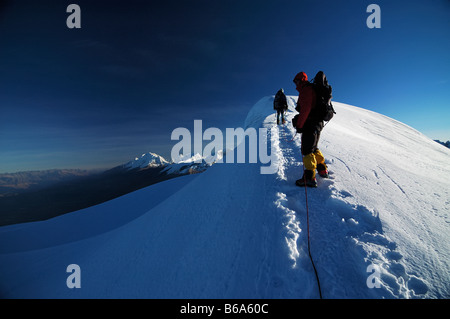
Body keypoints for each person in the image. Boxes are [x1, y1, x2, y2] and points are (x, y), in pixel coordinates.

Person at [293, 71, 329, 187]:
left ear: (301, 80)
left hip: (310, 124)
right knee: (313, 148)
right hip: (318, 123)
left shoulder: (306, 90)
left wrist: (299, 125)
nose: (295, 84)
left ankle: (309, 178)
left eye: (296, 81)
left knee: (307, 150)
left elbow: (306, 109)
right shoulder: (312, 89)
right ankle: (322, 170)